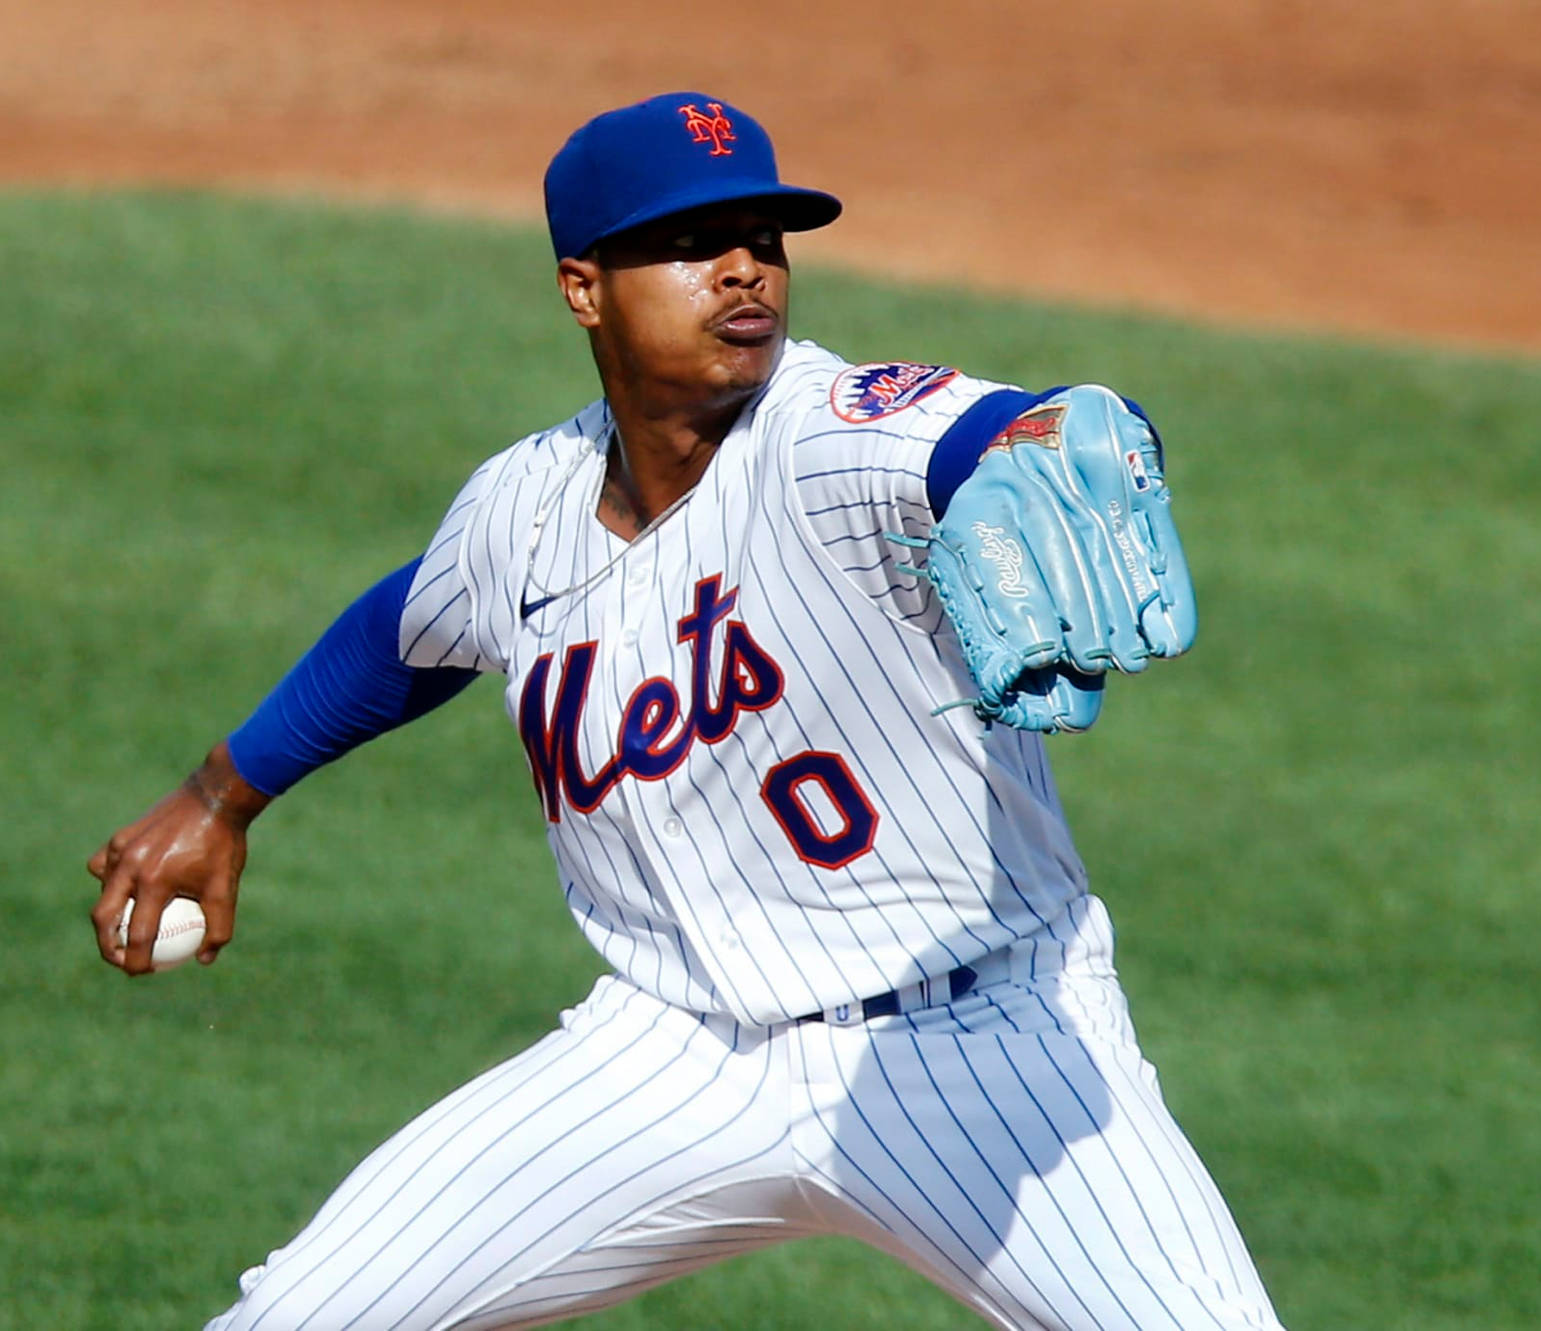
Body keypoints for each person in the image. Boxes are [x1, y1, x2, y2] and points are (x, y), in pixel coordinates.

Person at [88, 91, 1286, 1331]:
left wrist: (1043, 435)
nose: (741, 271)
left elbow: (976, 431)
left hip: (980, 1039)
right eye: (688, 241)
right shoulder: (522, 508)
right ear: (583, 286)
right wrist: (221, 793)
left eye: (763, 239)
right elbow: (410, 631)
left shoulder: (822, 432)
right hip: (669, 1054)